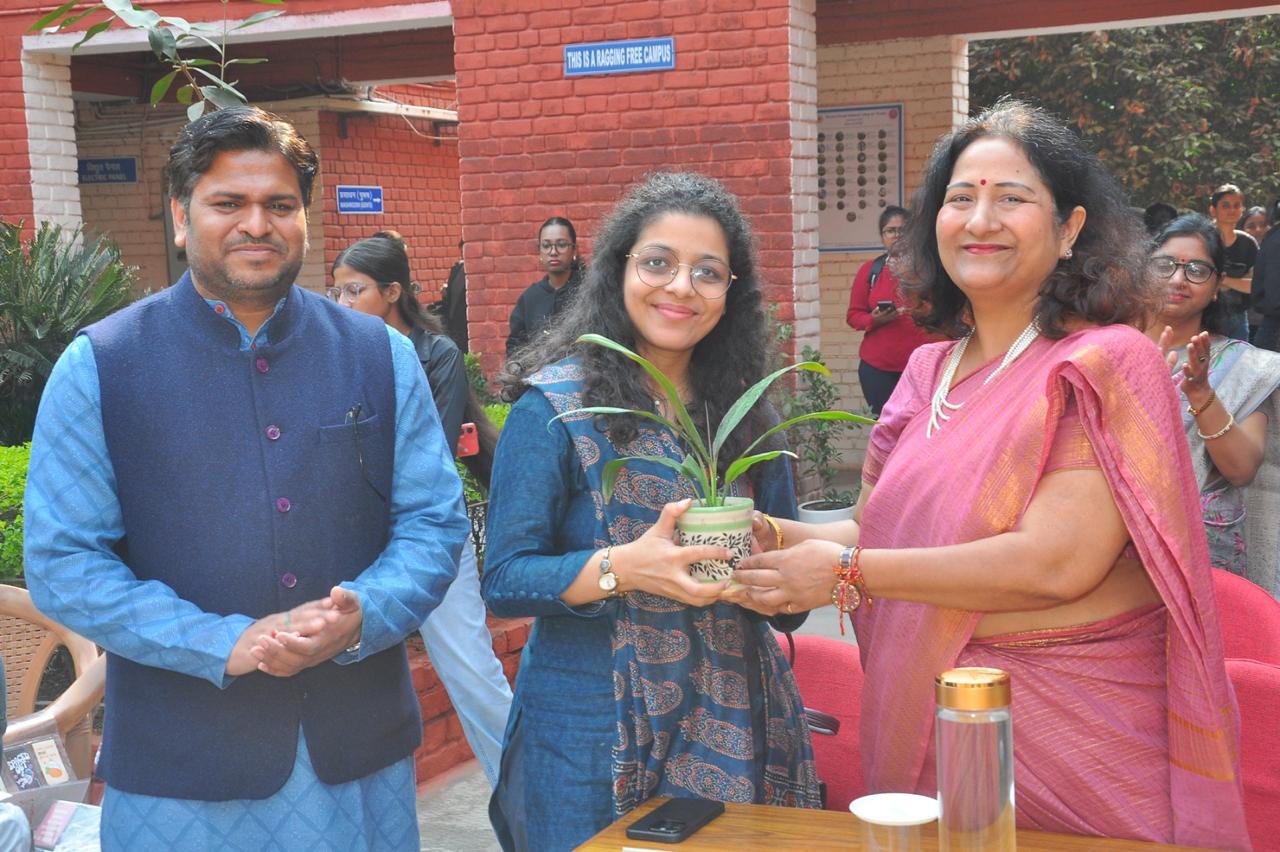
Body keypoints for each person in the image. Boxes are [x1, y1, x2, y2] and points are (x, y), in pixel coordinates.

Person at [728, 102, 1248, 847]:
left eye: (1011, 197)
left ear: (1069, 229)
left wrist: (844, 574)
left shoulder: (1105, 362)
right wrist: (772, 535)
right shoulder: (925, 372)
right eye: (960, 197)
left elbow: (1056, 562)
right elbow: (871, 528)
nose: (981, 219)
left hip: (1072, 746)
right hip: (931, 726)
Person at [22, 107, 469, 851]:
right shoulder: (102, 365)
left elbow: (434, 520)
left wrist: (366, 612)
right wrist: (219, 643)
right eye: (228, 202)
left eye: (279, 204)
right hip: (179, 772)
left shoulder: (378, 355)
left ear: (304, 218)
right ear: (180, 216)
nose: (256, 224)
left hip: (355, 755)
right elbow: (63, 564)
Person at [483, 172, 821, 850]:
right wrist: (625, 568)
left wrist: (770, 576)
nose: (681, 287)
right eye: (658, 263)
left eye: (708, 272)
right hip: (590, 727)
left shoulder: (747, 416)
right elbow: (505, 578)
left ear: (730, 293)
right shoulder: (554, 409)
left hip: (738, 716)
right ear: (618, 270)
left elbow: (788, 605)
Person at [331, 230, 513, 786]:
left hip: (428, 531)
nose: (343, 303)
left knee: (469, 670)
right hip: (358, 532)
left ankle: (529, 793)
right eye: (337, 292)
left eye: (355, 290)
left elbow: (428, 446)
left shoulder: (438, 355)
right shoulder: (341, 357)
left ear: (392, 292)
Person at [1146, 214, 1280, 594]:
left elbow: (1241, 470)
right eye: (1165, 264)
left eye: (1197, 270)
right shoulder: (1101, 349)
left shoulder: (1244, 367)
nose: (1178, 279)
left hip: (1202, 566)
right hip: (1103, 548)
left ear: (1218, 285)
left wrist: (1202, 394)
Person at [845, 205, 933, 414]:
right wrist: (874, 320)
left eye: (902, 230)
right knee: (885, 426)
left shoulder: (928, 270)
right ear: (882, 236)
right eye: (890, 231)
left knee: (920, 425)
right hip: (878, 368)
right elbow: (853, 315)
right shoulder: (871, 270)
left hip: (922, 367)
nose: (896, 236)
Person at [505, 216, 583, 358]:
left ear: (574, 250)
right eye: (546, 246)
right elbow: (515, 347)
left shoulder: (588, 292)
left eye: (561, 244)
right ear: (540, 252)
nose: (553, 252)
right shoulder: (530, 298)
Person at [1208, 183, 1258, 341]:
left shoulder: (1248, 243)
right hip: (1205, 315)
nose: (1232, 210)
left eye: (1236, 205)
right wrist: (1238, 282)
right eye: (1225, 205)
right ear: (1213, 210)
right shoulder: (1202, 239)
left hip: (1238, 317)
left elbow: (1255, 285)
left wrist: (1222, 280)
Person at [439, 238, 469, 352]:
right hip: (453, 324)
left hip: (466, 325)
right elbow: (451, 298)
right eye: (462, 253)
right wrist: (445, 293)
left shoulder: (476, 274)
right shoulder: (456, 270)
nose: (463, 256)